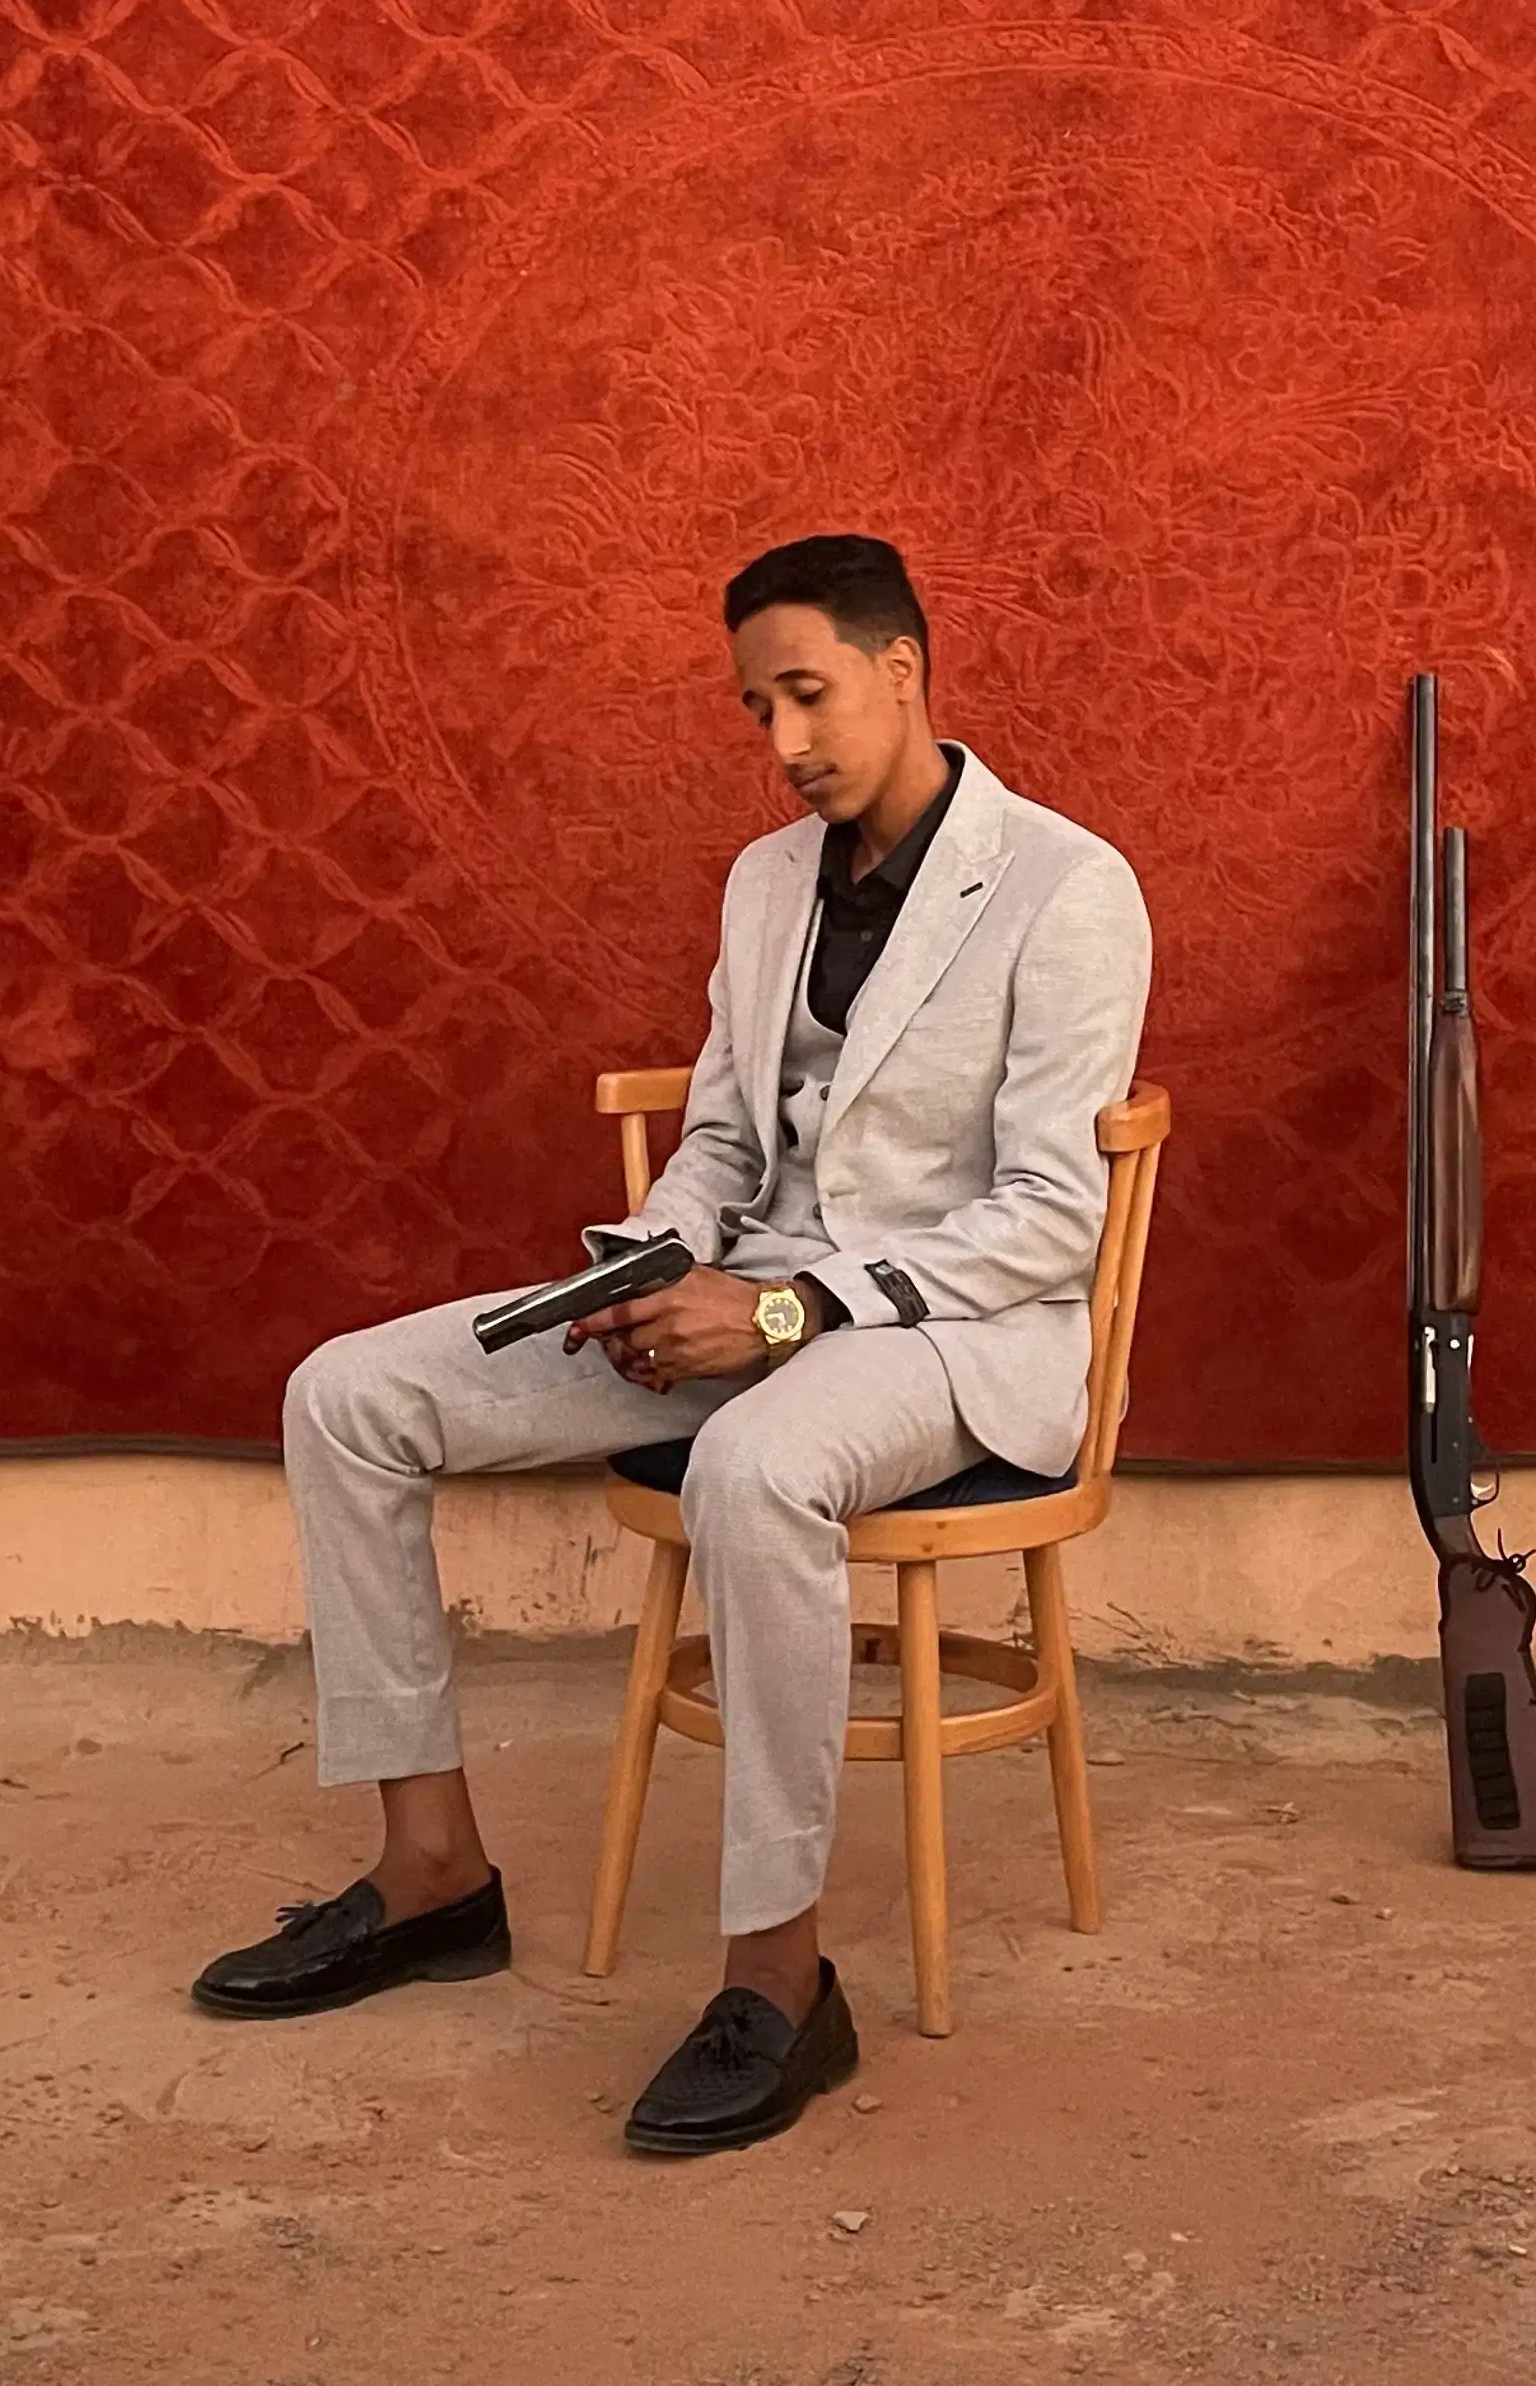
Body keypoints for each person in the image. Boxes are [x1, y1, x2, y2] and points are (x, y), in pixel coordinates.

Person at [190, 534, 1155, 2156]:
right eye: (755, 709)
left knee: (757, 1464)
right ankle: (431, 1874)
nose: (783, 744)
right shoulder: (768, 880)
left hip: (942, 1331)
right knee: (346, 1394)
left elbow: (1054, 1215)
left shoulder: (1068, 885)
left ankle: (780, 1981)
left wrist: (786, 1308)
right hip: (743, 1296)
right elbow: (718, 1144)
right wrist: (653, 1270)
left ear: (903, 671)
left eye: (809, 696)